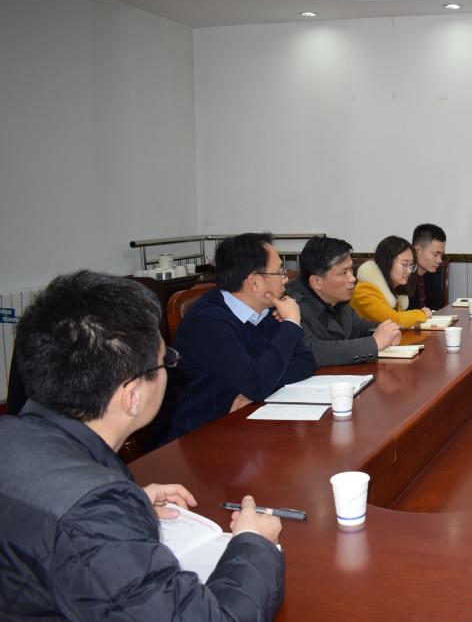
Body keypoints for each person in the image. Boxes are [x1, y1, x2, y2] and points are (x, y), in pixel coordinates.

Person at [0, 271, 285, 620]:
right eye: (166, 361)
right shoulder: (92, 513)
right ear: (132, 396)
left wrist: (128, 501)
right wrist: (255, 544)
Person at [160, 233, 315, 443]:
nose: (285, 278)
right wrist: (291, 324)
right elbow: (257, 383)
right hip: (196, 437)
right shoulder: (208, 323)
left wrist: (257, 390)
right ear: (254, 282)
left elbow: (305, 361)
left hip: (243, 424)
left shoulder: (266, 309)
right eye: (279, 271)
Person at [286, 236, 401, 367]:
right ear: (316, 281)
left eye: (351, 269)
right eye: (344, 272)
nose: (352, 278)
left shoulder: (338, 298)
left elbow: (359, 327)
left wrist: (387, 331)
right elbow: (312, 351)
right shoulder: (291, 304)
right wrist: (374, 343)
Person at [351, 235, 432, 328]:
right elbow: (393, 320)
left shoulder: (392, 288)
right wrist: (421, 314)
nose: (409, 270)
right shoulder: (365, 290)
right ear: (387, 263)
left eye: (411, 265)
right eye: (404, 264)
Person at [408, 223, 447, 311]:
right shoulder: (403, 277)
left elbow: (436, 308)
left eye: (441, 255)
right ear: (418, 250)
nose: (440, 260)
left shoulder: (432, 273)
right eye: (435, 254)